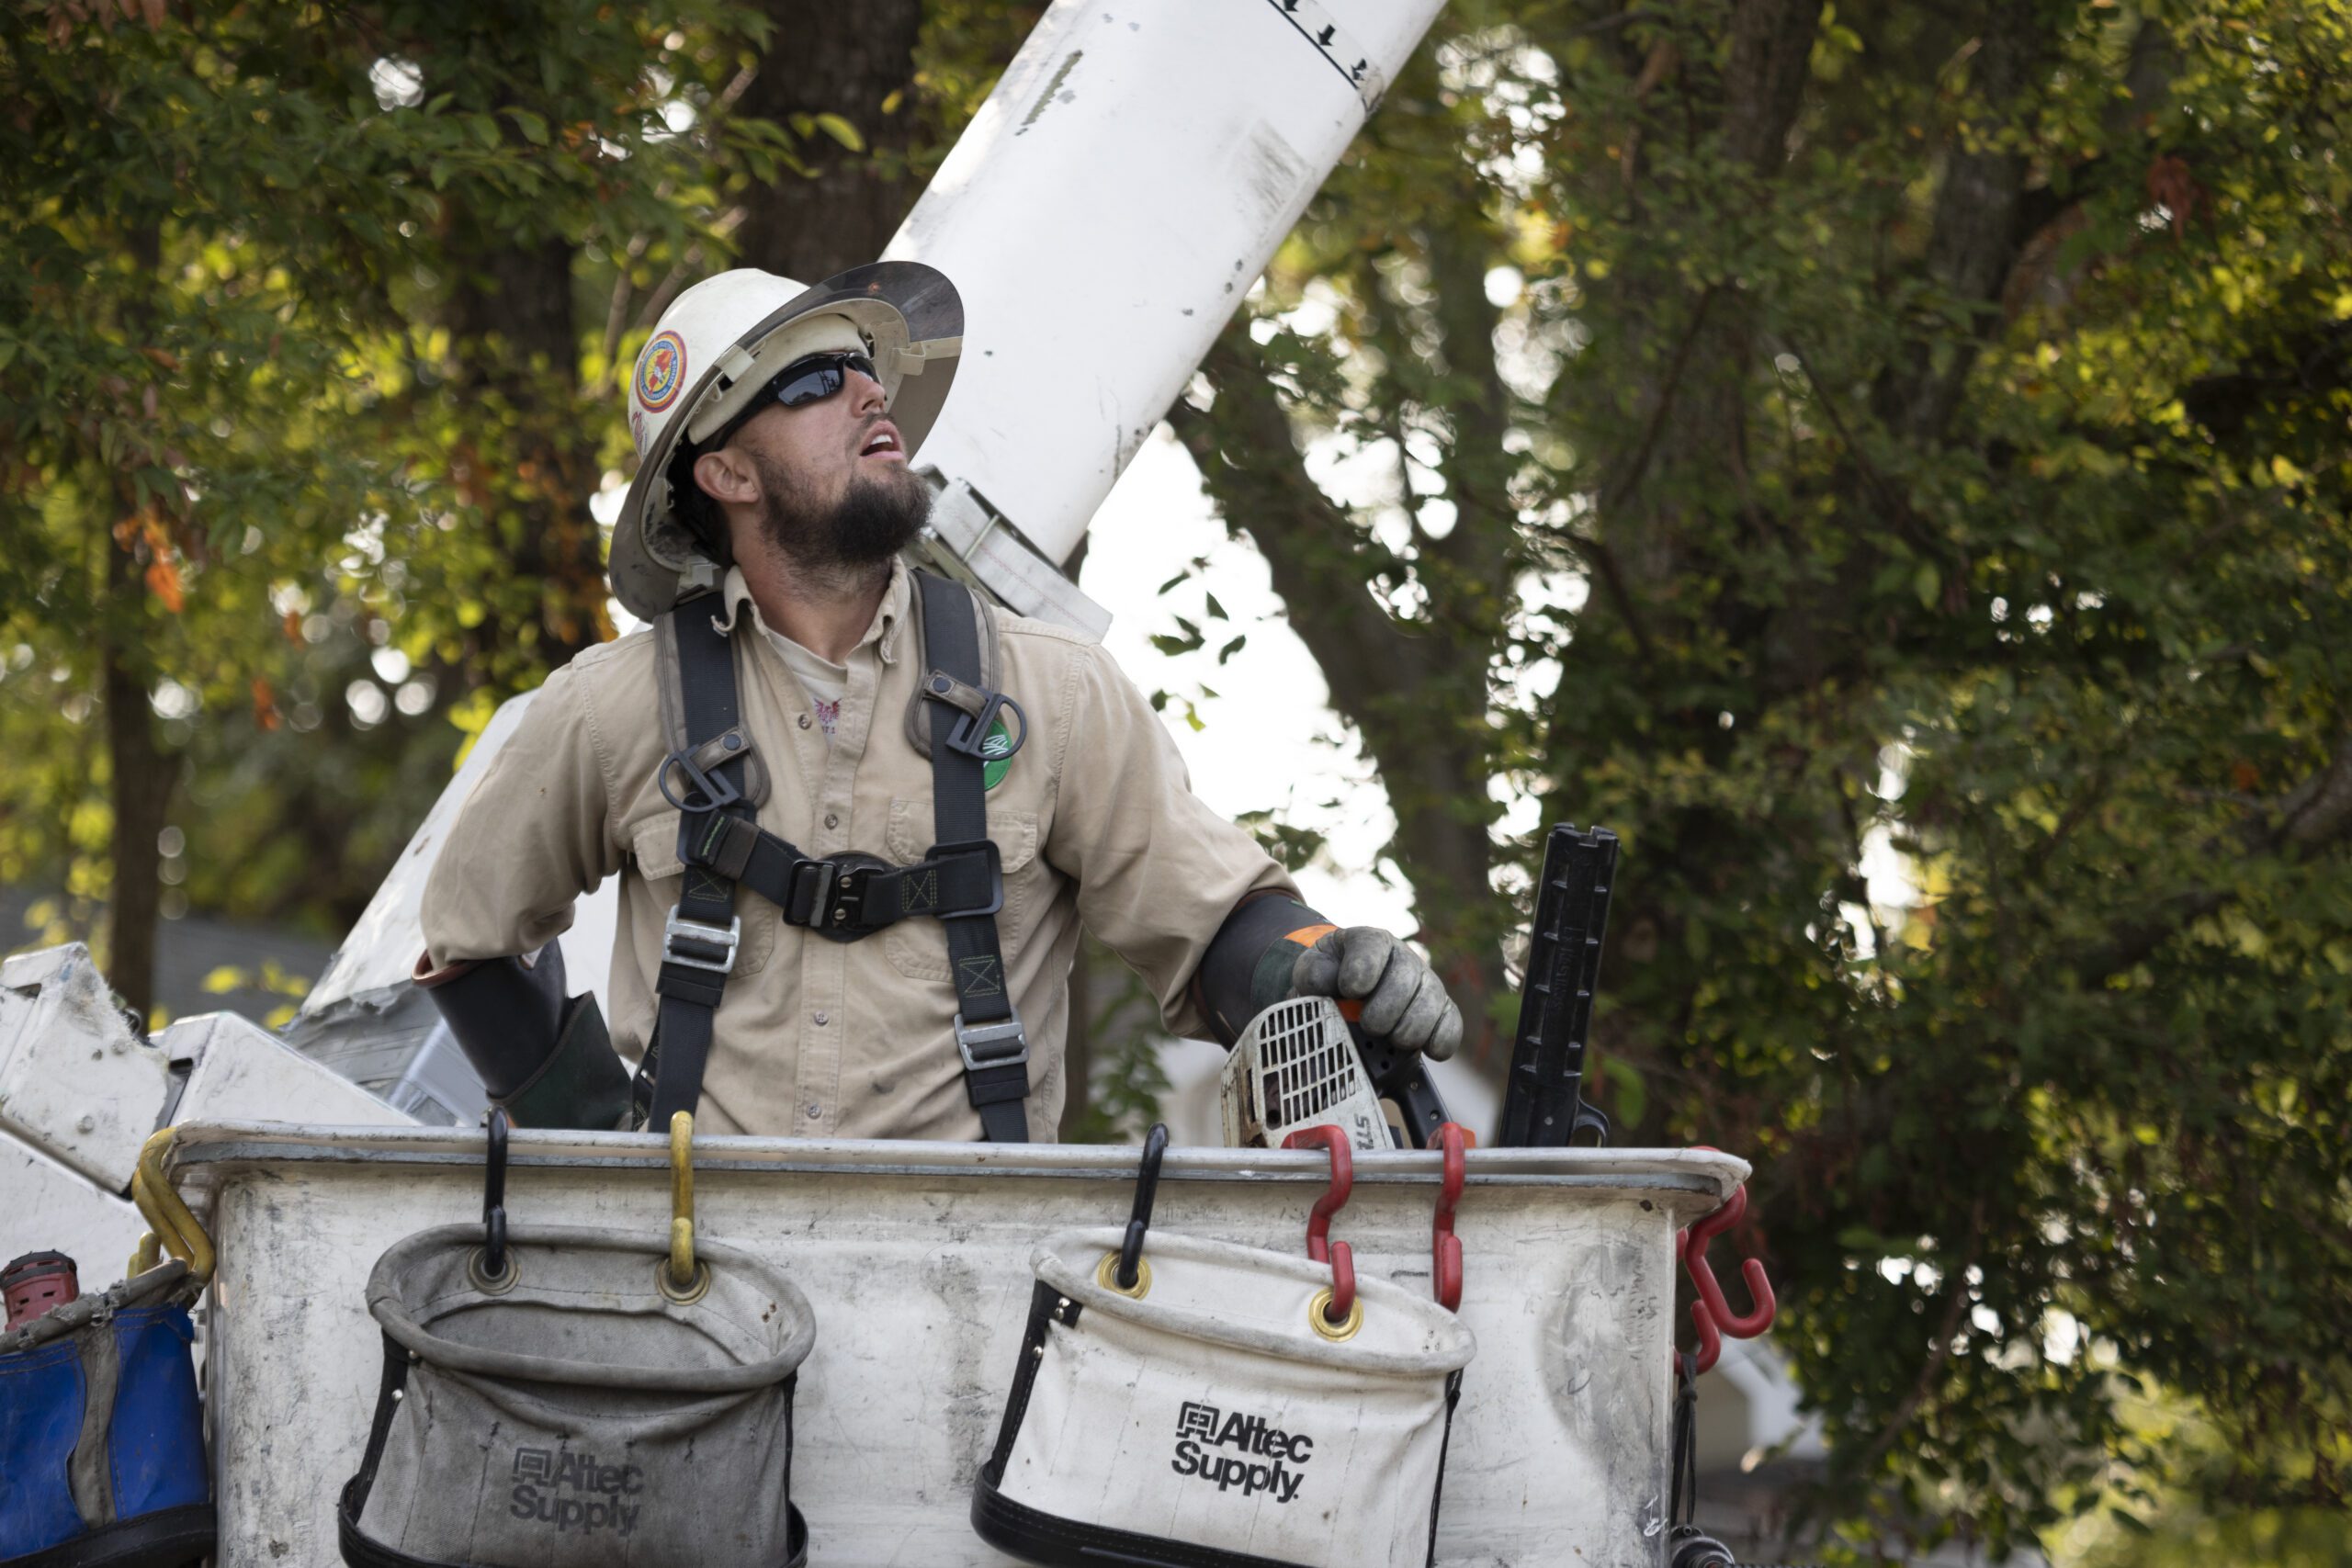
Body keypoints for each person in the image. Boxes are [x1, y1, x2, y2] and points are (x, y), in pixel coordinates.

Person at [414, 262, 1461, 1141]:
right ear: (727, 471)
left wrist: (1315, 966)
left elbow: (1216, 922)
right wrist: (598, 1154)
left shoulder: (1051, 691)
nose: (871, 395)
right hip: (687, 1287)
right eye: (818, 379)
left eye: (868, 371)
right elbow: (466, 941)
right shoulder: (612, 710)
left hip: (976, 1292)